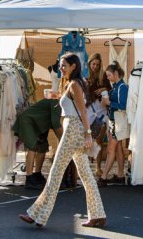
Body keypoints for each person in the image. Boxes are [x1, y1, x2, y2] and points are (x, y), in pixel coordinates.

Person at [20, 53, 106, 228]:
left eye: (64, 65)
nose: (61, 67)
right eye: (61, 65)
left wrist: (88, 134)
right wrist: (58, 97)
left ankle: (37, 215)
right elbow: (75, 106)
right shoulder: (73, 83)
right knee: (86, 176)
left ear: (74, 66)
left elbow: (82, 111)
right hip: (74, 129)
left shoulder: (74, 84)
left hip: (73, 130)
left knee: (55, 173)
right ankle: (98, 215)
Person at [11, 98, 64, 189]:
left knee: (42, 147)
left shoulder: (61, 104)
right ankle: (29, 179)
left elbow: (54, 122)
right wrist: (63, 140)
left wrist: (62, 139)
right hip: (28, 121)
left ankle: (37, 174)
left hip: (39, 124)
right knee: (33, 147)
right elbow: (55, 123)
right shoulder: (57, 103)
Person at [99, 61, 128, 186]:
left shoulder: (123, 87)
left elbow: (123, 105)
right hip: (113, 121)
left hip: (117, 121)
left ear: (116, 73)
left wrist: (108, 103)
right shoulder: (116, 86)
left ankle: (104, 177)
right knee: (117, 149)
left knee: (111, 149)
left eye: (109, 75)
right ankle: (120, 175)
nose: (107, 77)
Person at [86, 54, 112, 178]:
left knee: (99, 140)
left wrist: (103, 89)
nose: (95, 66)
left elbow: (110, 91)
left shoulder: (104, 78)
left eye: (97, 64)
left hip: (101, 111)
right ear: (89, 64)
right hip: (89, 111)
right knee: (87, 139)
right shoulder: (86, 78)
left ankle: (98, 167)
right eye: (93, 64)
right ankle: (85, 167)